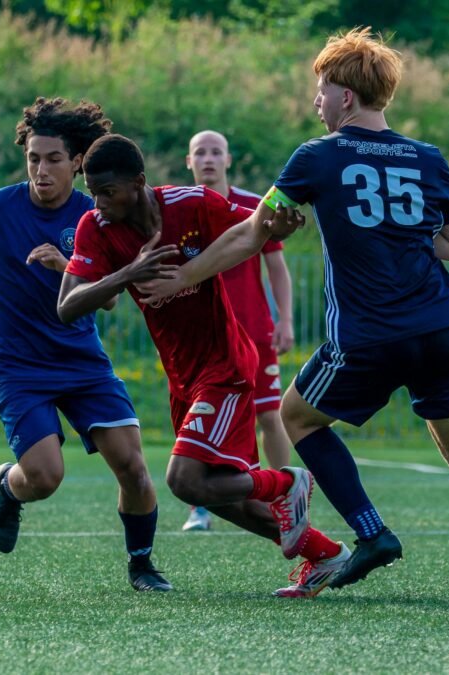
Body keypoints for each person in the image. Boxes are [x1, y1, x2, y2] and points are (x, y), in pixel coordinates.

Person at [136, 28, 449, 600]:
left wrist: (183, 277)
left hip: (370, 335)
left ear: (345, 96)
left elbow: (250, 233)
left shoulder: (318, 155)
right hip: (441, 327)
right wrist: (399, 236)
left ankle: (372, 533)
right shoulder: (427, 157)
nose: (316, 101)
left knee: (297, 419)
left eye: (321, 90)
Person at [57, 133, 350, 598]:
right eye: (92, 192)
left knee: (184, 479)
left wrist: (278, 226)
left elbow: (255, 228)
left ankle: (285, 482)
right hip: (183, 378)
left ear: (139, 182)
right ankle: (326, 554)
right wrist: (127, 273)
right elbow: (67, 306)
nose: (99, 203)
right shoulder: (96, 226)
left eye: (107, 191)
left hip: (225, 365)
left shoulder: (191, 204)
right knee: (221, 494)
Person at [0, 97, 172, 592]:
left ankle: (142, 565)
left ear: (77, 162)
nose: (41, 170)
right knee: (44, 478)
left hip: (82, 361)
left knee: (133, 466)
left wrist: (66, 266)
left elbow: (109, 300)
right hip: (18, 365)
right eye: (33, 159)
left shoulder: (95, 214)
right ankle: (9, 485)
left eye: (53, 159)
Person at [180, 130, 295, 533]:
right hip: (202, 340)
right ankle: (200, 507)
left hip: (254, 332)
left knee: (269, 414)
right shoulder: (180, 209)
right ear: (189, 162)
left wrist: (285, 320)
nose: (208, 159)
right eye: (200, 152)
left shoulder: (255, 206)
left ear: (228, 160)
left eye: (216, 152)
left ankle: (287, 500)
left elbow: (277, 269)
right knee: (197, 417)